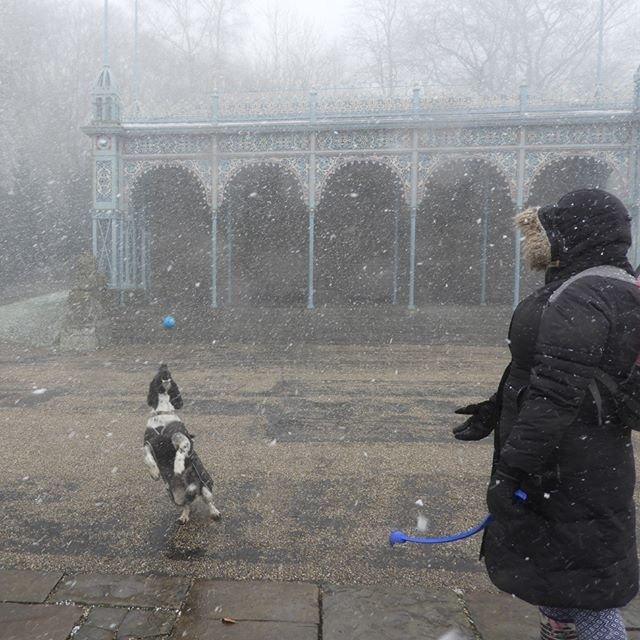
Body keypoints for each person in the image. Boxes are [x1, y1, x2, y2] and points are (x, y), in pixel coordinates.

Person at [453, 188, 640, 639]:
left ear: (577, 234)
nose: (542, 240)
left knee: (588, 596)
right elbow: (548, 371)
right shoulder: (603, 283)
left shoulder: (584, 295)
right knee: (560, 581)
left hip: (569, 470)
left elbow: (557, 395)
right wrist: (497, 409)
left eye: (549, 230)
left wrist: (511, 472)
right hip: (576, 463)